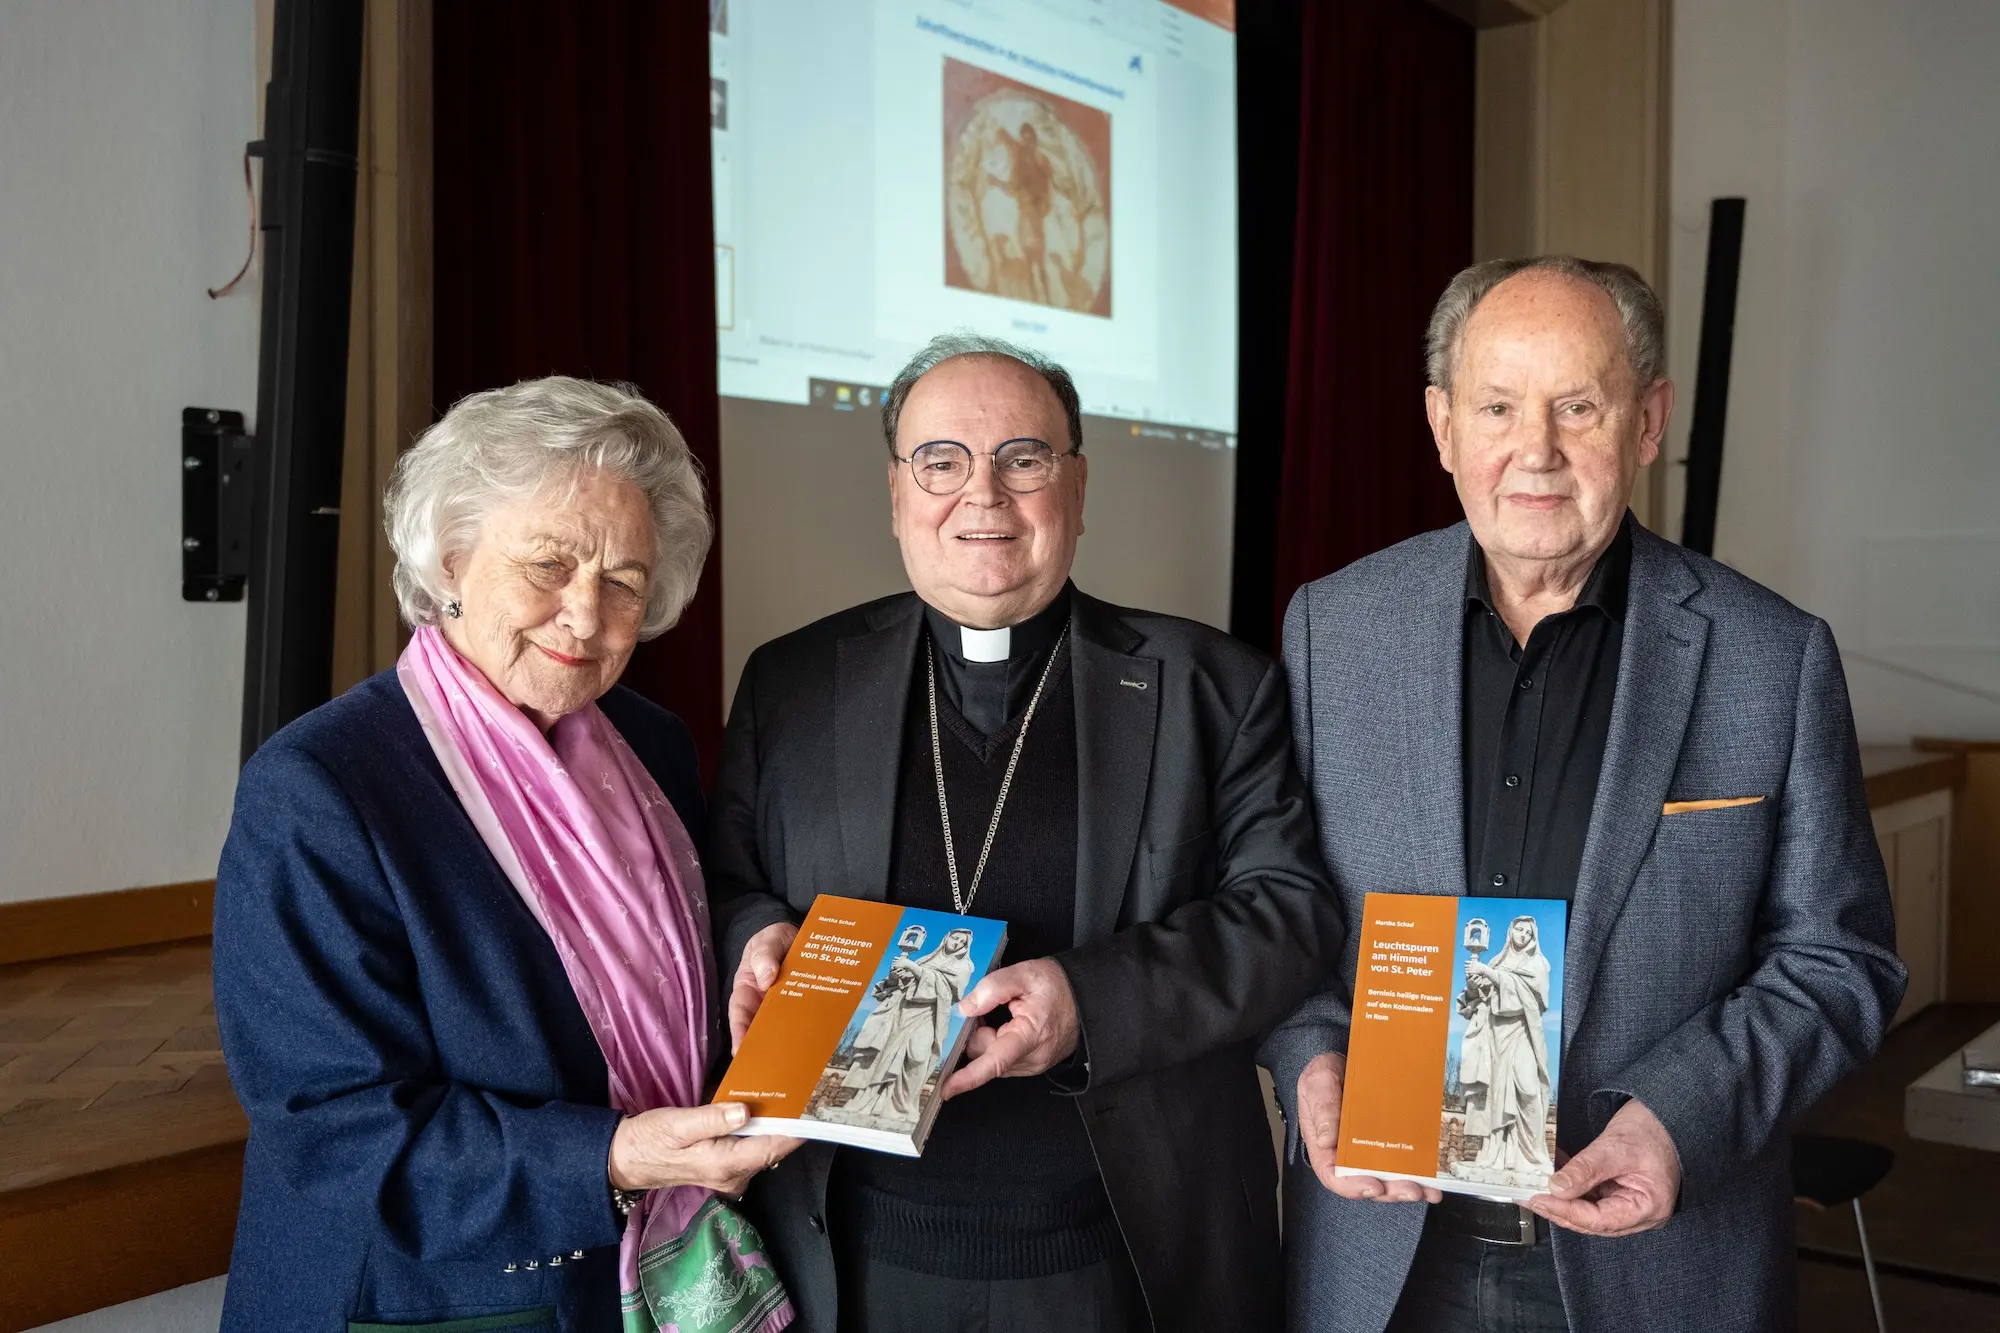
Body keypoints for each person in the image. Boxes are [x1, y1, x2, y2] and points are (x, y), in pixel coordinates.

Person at [1261, 256, 1906, 1332]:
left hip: (1654, 1260)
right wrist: (1310, 1053)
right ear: (1440, 426)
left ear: (1646, 420)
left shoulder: (1769, 656)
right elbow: (1279, 902)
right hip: (1383, 1257)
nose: (1535, 451)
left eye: (1577, 406)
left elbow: (1839, 959)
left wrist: (1679, 1119)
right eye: (1497, 406)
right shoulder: (1333, 629)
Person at [708, 333, 1341, 1332]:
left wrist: (1089, 999)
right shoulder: (791, 682)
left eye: (1024, 459)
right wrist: (752, 936)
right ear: (895, 492)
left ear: (1076, 487)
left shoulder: (1212, 685)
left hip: (1115, 1257)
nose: (982, 495)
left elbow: (1288, 910)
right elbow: (724, 878)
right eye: (941, 462)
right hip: (855, 1254)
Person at [213, 378, 801, 1333]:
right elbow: (335, 1131)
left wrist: (757, 939)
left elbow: (678, 922)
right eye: (548, 564)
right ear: (450, 558)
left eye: (624, 582)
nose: (585, 616)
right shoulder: (319, 788)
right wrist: (612, 1157)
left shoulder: (646, 741)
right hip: (430, 1294)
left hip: (631, 1273)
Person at [841, 927, 977, 1125]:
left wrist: (914, 968)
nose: (955, 943)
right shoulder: (925, 960)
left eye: (961, 942)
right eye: (954, 938)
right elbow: (904, 985)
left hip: (929, 1015)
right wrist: (897, 975)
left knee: (918, 1057)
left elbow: (949, 992)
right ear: (946, 938)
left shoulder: (964, 966)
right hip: (904, 1013)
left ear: (965, 946)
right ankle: (870, 1102)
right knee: (886, 1055)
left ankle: (900, 1107)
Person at [1456, 917, 1553, 1180]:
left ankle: (1533, 1155)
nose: (1522, 934)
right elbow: (1478, 998)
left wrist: (1489, 974)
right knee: (1496, 1095)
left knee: (1529, 1090)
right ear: (1510, 932)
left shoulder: (1538, 964)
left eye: (1528, 932)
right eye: (1518, 929)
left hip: (1522, 1033)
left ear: (1534, 937)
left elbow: (1534, 998)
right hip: (1495, 1036)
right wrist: (1475, 985)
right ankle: (1494, 1154)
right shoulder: (1496, 962)